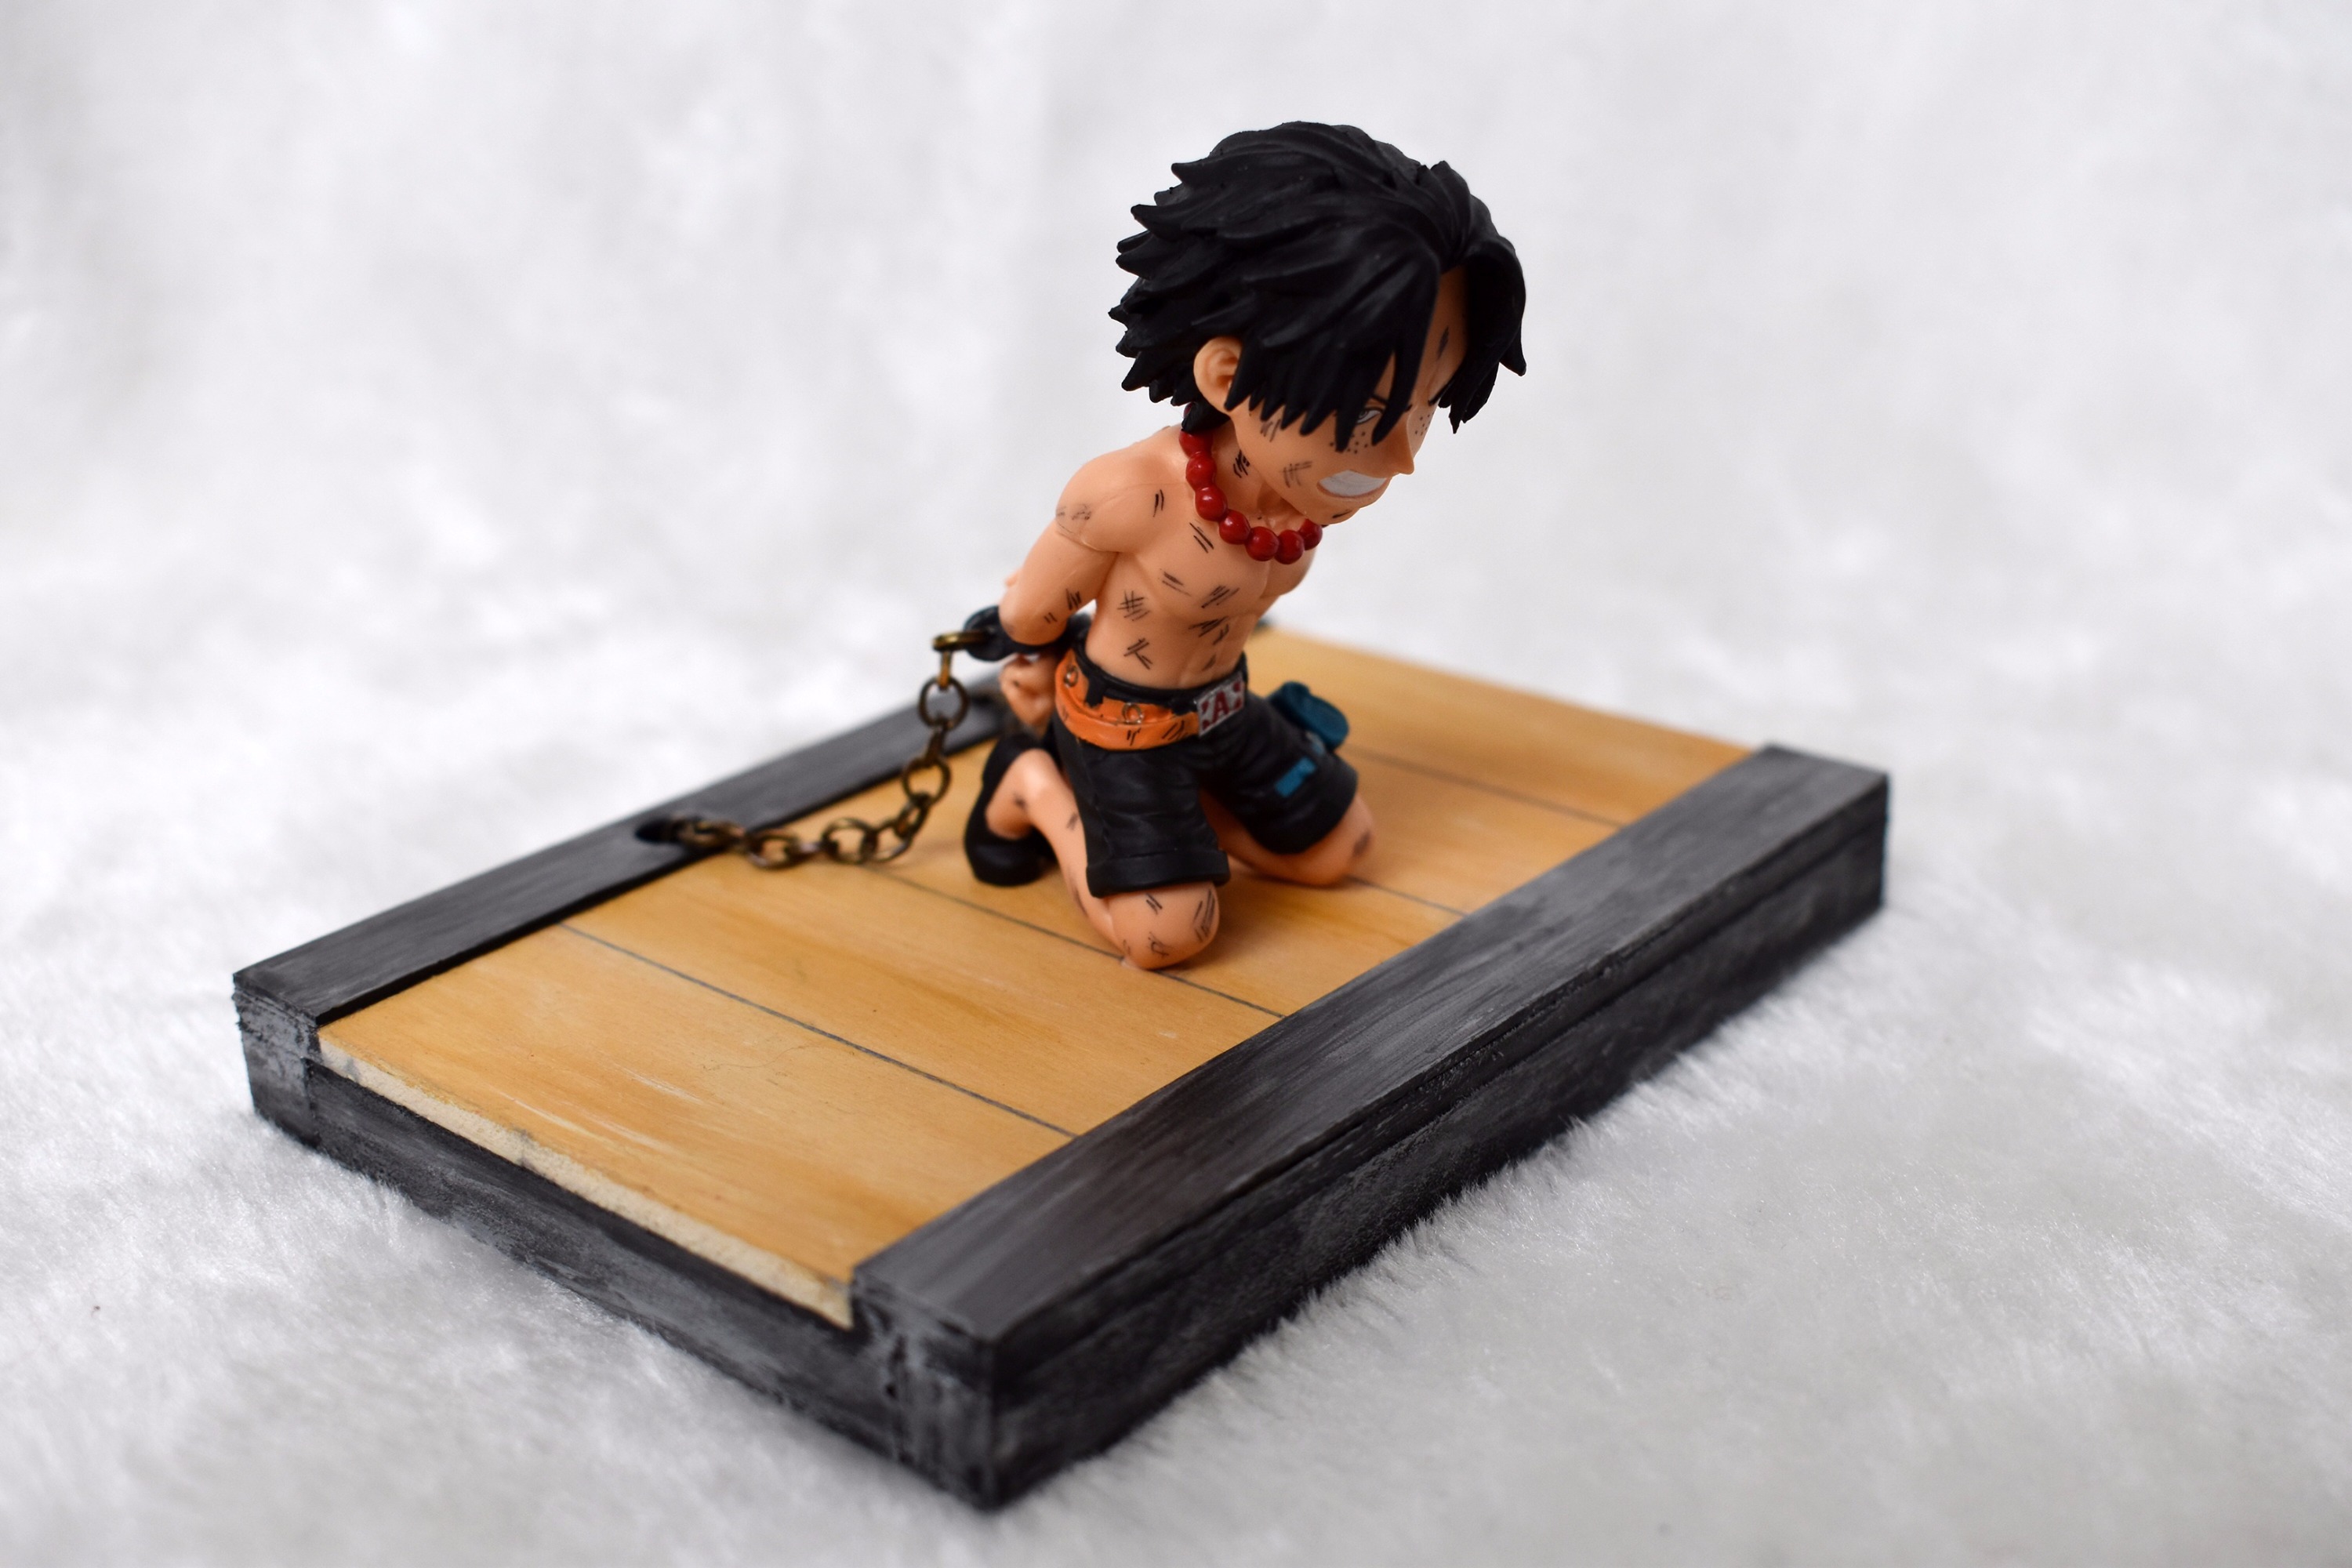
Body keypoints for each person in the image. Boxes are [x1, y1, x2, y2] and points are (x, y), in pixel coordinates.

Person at [959, 122, 1526, 969]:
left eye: (1423, 409)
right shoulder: (1132, 495)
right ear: (1228, 377)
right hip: (1123, 726)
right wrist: (1031, 662)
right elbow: (1033, 608)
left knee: (1340, 851)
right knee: (1166, 936)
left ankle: (1183, 822)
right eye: (1370, 416)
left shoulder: (1293, 502)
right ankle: (1033, 786)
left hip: (1226, 707)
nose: (1403, 458)